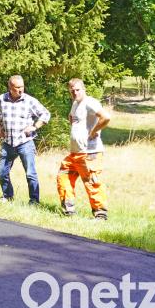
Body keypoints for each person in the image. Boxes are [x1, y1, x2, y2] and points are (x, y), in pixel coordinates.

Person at [57, 78, 111, 220]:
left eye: (77, 90)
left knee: (92, 182)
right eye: (72, 91)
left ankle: (100, 214)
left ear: (83, 89)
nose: (75, 93)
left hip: (89, 152)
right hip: (75, 153)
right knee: (64, 175)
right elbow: (72, 118)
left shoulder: (90, 102)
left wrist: (93, 131)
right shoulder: (75, 103)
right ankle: (69, 210)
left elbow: (106, 117)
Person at [0, 75, 51, 204]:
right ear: (10, 87)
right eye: (17, 87)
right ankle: (7, 196)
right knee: (2, 171)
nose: (20, 90)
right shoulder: (2, 99)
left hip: (25, 142)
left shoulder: (29, 101)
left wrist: (34, 126)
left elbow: (45, 114)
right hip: (8, 142)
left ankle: (34, 201)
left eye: (22, 87)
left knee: (30, 173)